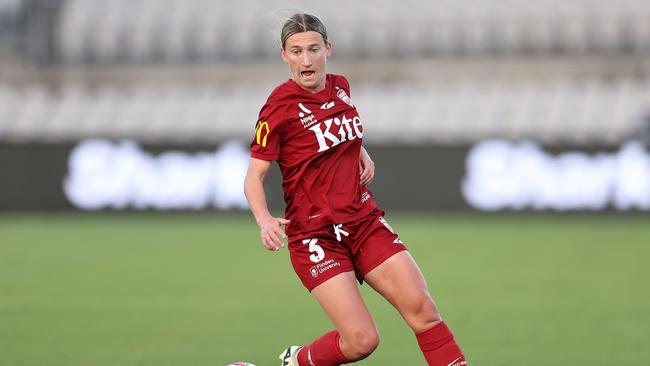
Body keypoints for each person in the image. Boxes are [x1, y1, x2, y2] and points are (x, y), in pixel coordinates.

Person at [243, 13, 467, 366]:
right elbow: (253, 176)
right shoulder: (277, 108)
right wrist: (264, 219)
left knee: (424, 311)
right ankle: (297, 361)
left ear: (327, 49)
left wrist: (360, 151)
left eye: (314, 49)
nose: (306, 59)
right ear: (283, 55)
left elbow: (336, 128)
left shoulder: (341, 86)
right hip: (316, 236)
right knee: (362, 341)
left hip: (363, 222)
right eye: (296, 51)